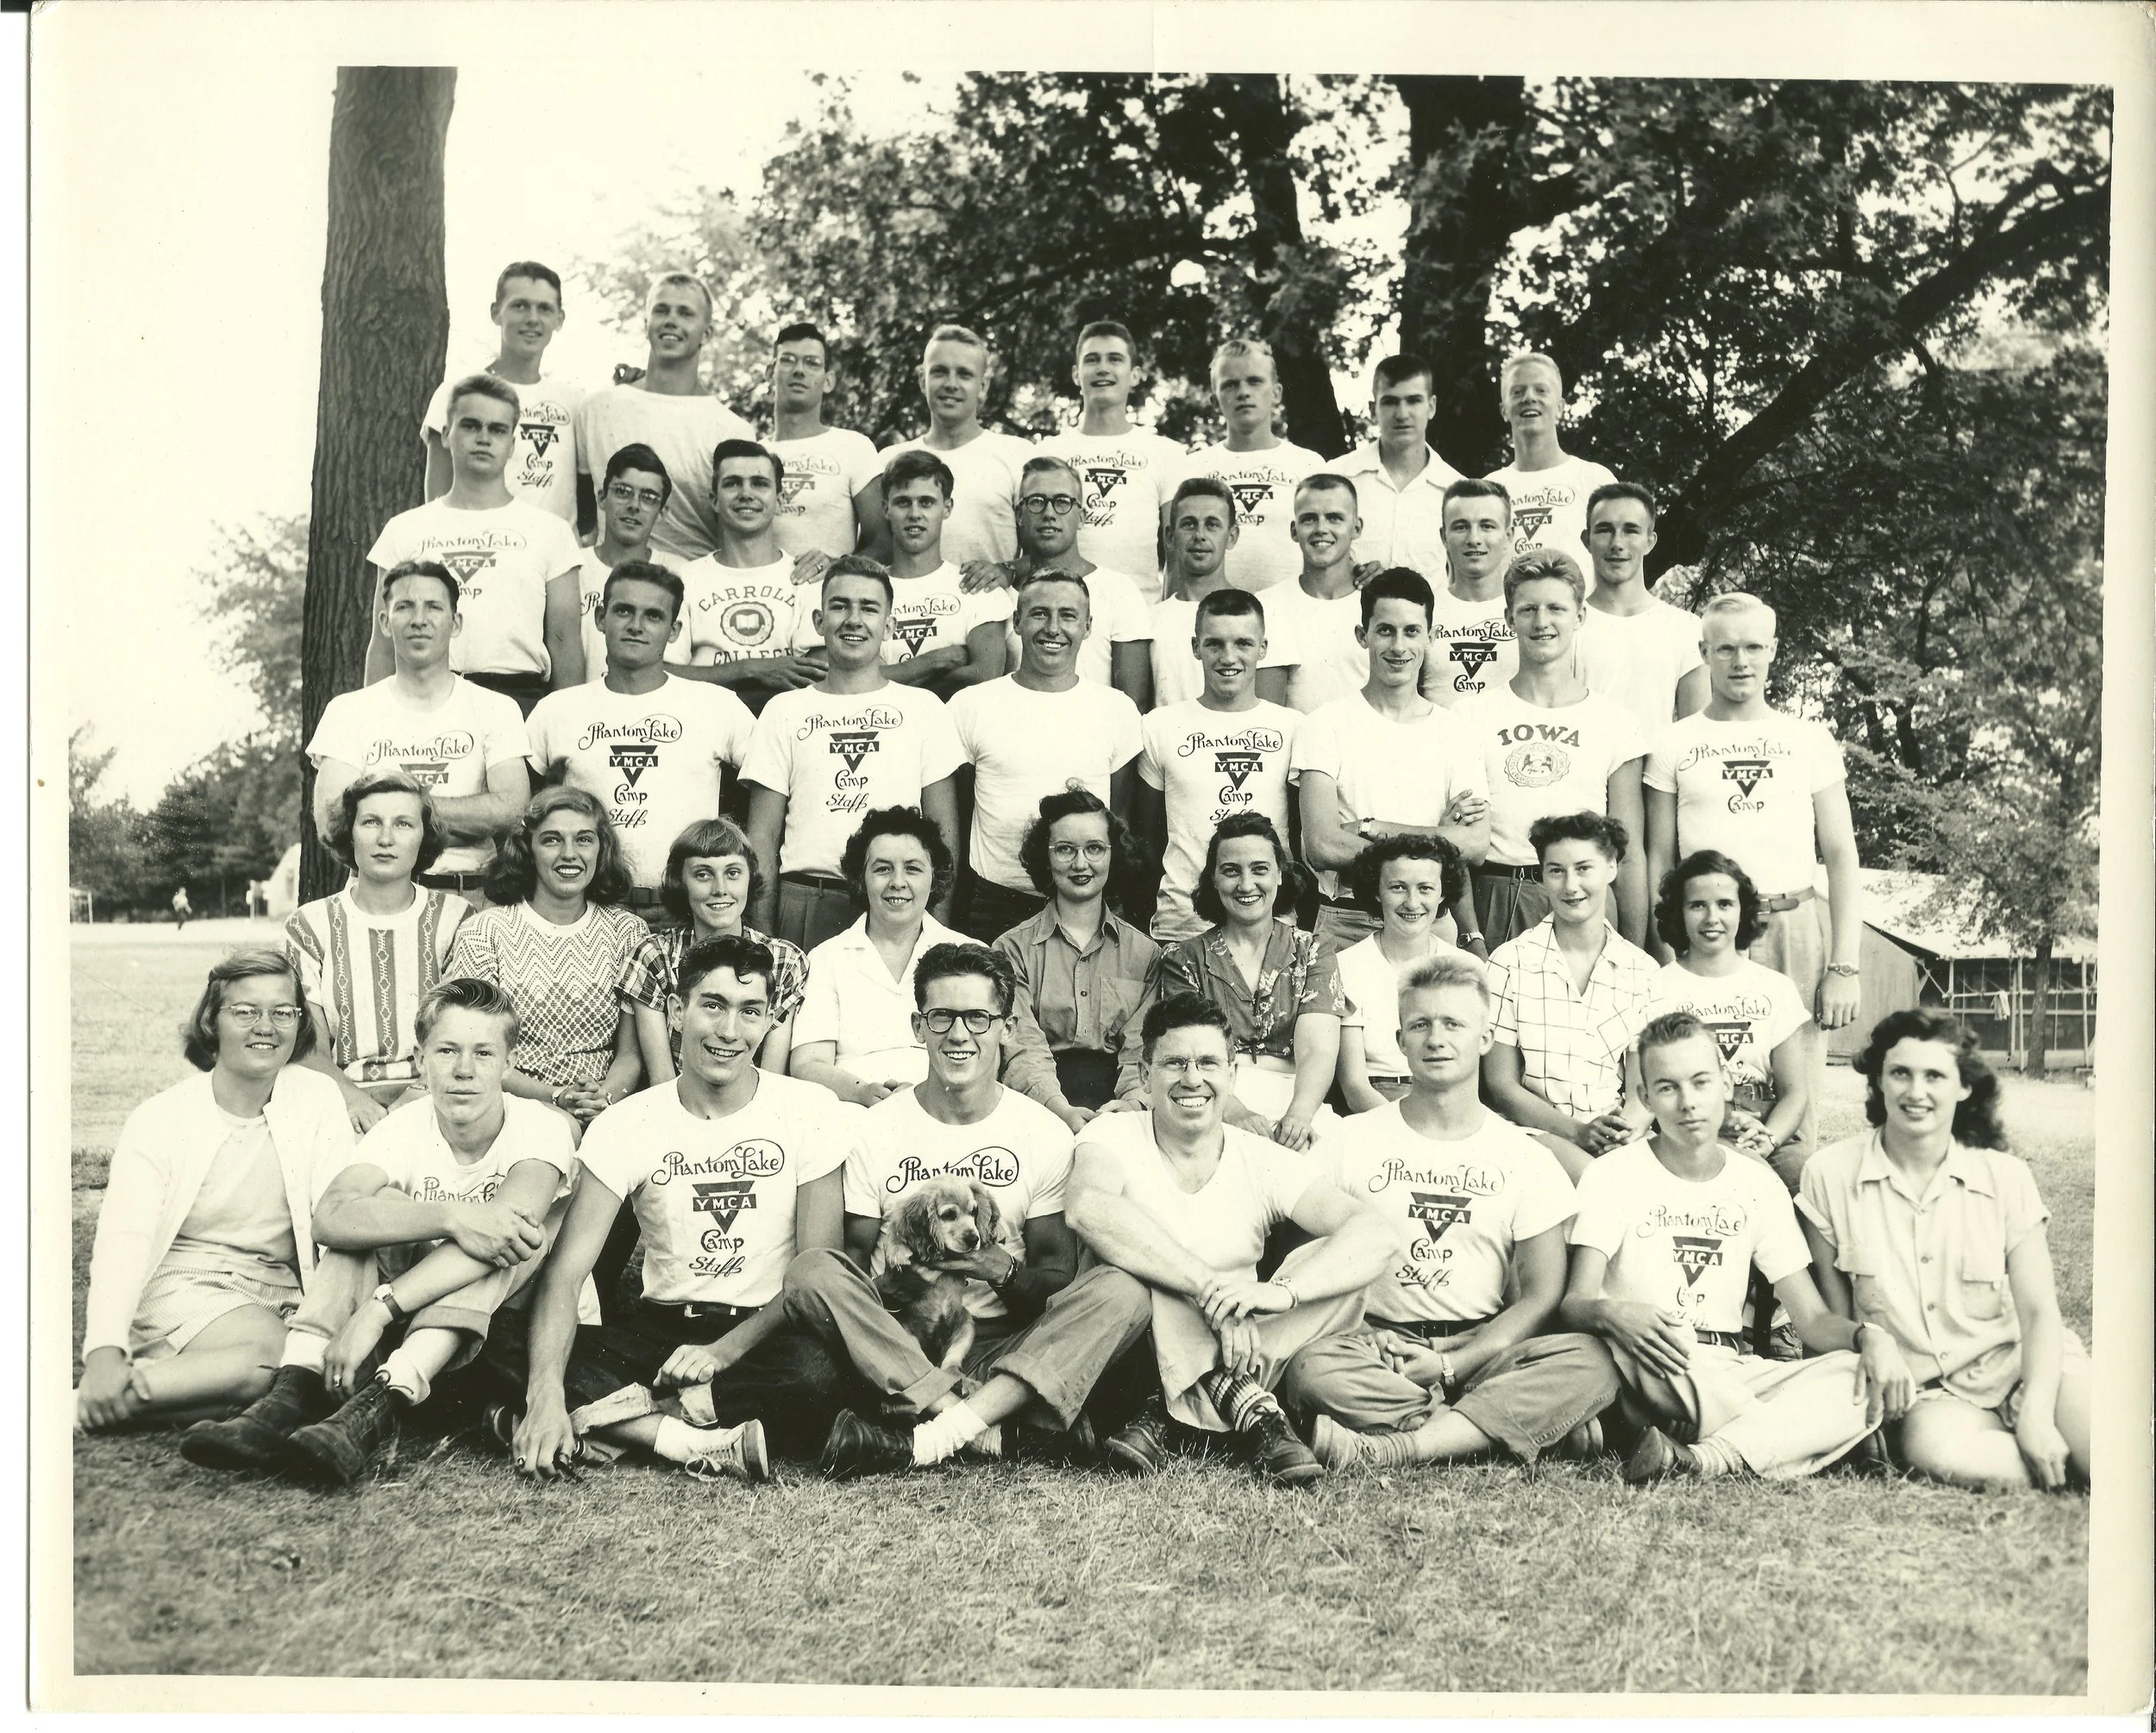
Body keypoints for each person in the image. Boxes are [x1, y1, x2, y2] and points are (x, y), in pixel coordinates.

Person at [177, 977, 582, 1485]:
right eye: (447, 1050)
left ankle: (377, 1409)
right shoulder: (404, 1123)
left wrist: (378, 1308)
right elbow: (331, 1214)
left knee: (506, 1239)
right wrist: (451, 1215)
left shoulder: (541, 1127)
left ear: (509, 1063)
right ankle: (290, 1394)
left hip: (500, 1329)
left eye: (483, 1053)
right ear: (420, 1057)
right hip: (413, 1312)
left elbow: (502, 1233)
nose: (463, 1071)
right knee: (365, 1222)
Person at [786, 943, 1156, 1477]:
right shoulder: (873, 1130)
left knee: (1122, 1291)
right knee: (813, 1269)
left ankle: (930, 1432)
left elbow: (1055, 1276)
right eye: (942, 1017)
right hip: (906, 1345)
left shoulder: (1042, 1133)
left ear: (1006, 1027)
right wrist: (910, 1273)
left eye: (979, 1018)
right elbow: (856, 1269)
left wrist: (995, 1268)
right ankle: (982, 1423)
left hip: (1005, 1351)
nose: (960, 1035)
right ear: (918, 1026)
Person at [501, 935, 857, 1479]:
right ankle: (682, 1437)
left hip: (764, 1332)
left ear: (768, 1021)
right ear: (675, 1010)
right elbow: (566, 1272)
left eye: (750, 1012)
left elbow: (816, 1275)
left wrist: (724, 1353)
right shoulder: (628, 1122)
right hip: (662, 1332)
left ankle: (613, 1421)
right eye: (712, 1005)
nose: (729, 1031)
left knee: (817, 1372)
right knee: (498, 1339)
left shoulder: (808, 1109)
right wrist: (546, 1391)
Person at [1282, 951, 1620, 1469]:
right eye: (1419, 1025)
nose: (1436, 1039)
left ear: (1485, 1038)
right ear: (1399, 1042)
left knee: (1593, 1361)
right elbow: (1309, 1256)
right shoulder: (1347, 1141)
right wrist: (1370, 1337)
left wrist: (1451, 1364)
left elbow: (1542, 1294)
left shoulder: (1527, 1156)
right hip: (1377, 1344)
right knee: (1310, 1366)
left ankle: (1409, 1440)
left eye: (1453, 1024)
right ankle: (1493, 1428)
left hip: (1482, 1346)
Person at [1066, 995, 1395, 1484]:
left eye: (1208, 1063)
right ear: (1145, 1070)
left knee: (1343, 1270)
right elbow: (1087, 1208)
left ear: (1233, 1073)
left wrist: (1276, 1293)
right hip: (1138, 1349)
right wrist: (1209, 1292)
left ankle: (1173, 1406)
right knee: (1128, 1264)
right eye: (1175, 1062)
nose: (1192, 1079)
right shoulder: (1113, 1134)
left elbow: (1376, 1232)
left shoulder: (1260, 1157)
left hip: (1248, 1339)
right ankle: (1249, 1408)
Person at [1562, 1011, 1887, 1484]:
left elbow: (1812, 1323)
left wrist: (1865, 1339)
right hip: (1651, 1357)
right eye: (1667, 1087)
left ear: (1726, 1084)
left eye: (1700, 1082)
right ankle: (1805, 1437)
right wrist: (1613, 1315)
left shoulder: (1758, 1183)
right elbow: (1574, 1302)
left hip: (1728, 1364)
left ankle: (1700, 1457)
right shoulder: (1612, 1175)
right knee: (1836, 1407)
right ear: (1644, 1096)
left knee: (1853, 1376)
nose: (1688, 1103)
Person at [1797, 1011, 2090, 1491]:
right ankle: (2061, 1466)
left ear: (1963, 1087)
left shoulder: (2005, 1176)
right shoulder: (1828, 1175)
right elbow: (1831, 1323)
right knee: (1948, 1457)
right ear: (1878, 1080)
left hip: (2027, 1365)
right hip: (1933, 1398)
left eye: (1934, 1076)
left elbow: (2039, 1313)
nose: (1916, 1092)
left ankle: (2060, 1446)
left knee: (2114, 1452)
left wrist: (2036, 1411)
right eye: (1900, 1073)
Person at [76, 951, 353, 1433]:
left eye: (282, 1012)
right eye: (245, 1011)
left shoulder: (317, 1097)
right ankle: (87, 1402)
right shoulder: (162, 1118)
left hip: (280, 1292)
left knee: (305, 1376)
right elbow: (124, 1239)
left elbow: (337, 1211)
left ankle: (128, 1403)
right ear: (212, 1020)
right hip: (183, 1283)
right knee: (282, 1364)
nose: (265, 1026)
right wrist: (104, 1351)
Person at [1644, 593, 1863, 1168]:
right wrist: (1665, 944)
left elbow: (1841, 854)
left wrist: (1844, 964)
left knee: (1793, 1109)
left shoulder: (1808, 737)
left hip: (1792, 926)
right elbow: (1660, 855)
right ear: (1704, 652)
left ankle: (1786, 1232)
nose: (1740, 661)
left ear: (1772, 650)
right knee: (1700, 1080)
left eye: (1753, 648)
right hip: (1705, 929)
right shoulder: (1675, 742)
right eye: (1726, 648)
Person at [741, 557, 965, 951]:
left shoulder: (925, 708)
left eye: (869, 608)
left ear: (890, 625)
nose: (854, 619)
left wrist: (937, 934)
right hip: (808, 896)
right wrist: (761, 940)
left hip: (898, 901)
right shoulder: (784, 710)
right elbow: (762, 837)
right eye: (840, 605)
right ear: (818, 620)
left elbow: (943, 832)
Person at [524, 561, 756, 909]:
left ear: (674, 630)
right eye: (623, 611)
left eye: (653, 616)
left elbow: (769, 799)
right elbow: (523, 816)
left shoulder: (718, 705)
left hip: (685, 908)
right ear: (601, 618)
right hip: (589, 907)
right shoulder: (556, 710)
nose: (636, 626)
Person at [309, 561, 531, 907]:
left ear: (455, 623)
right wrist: (463, 821)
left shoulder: (496, 708)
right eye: (404, 607)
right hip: (377, 898)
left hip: (471, 897)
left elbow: (512, 811)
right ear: (384, 622)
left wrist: (383, 819)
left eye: (434, 607)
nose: (419, 620)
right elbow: (333, 821)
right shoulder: (348, 711)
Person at [443, 788, 671, 1127]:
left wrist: (604, 1098)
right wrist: (555, 1096)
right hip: (513, 1105)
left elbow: (631, 1053)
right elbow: (478, 1051)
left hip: (607, 1107)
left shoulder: (628, 931)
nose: (569, 854)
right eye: (551, 840)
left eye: (584, 840)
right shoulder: (485, 931)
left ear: (601, 849)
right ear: (527, 850)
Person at [1291, 568, 1489, 957]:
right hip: (1348, 923)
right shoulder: (1323, 725)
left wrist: (1372, 827)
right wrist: (1437, 837)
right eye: (1385, 630)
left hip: (1433, 923)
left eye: (1412, 631)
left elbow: (1475, 844)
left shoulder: (1457, 731)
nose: (1399, 646)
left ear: (1431, 636)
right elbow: (1321, 844)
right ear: (1362, 635)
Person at [1460, 549, 1648, 948]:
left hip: (1585, 896)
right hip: (1497, 891)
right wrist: (1469, 930)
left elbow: (1628, 855)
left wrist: (1634, 951)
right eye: (1528, 609)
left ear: (1579, 615)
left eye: (1556, 608)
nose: (1542, 622)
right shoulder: (1470, 714)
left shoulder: (1616, 722)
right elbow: (1457, 842)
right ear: (1509, 618)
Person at [364, 374, 586, 710]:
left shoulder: (550, 532)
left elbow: (565, 645)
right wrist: (375, 725)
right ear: (447, 435)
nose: (484, 438)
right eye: (470, 426)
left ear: (512, 444)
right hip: (423, 703)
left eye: (497, 429)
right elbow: (382, 645)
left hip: (518, 702)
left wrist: (564, 734)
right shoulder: (404, 530)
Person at [947, 572, 1144, 943]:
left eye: (1068, 616)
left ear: (1088, 627)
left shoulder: (1117, 710)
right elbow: (957, 818)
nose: (1053, 628)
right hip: (994, 905)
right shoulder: (971, 705)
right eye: (1039, 614)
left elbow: (1121, 823)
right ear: (1017, 621)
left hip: (1083, 906)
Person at [285, 769, 473, 1133]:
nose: (386, 838)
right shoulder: (309, 925)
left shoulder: (457, 918)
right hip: (340, 1096)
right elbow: (307, 1043)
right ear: (349, 833)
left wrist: (417, 1097)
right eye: (371, 822)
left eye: (403, 824)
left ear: (424, 836)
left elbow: (464, 1031)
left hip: (436, 1096)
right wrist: (352, 1099)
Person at [1482, 813, 1658, 1179]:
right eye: (1556, 871)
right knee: (1598, 1184)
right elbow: (1501, 1086)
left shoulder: (1641, 970)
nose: (1570, 885)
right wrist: (1577, 1132)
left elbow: (1645, 1089)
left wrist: (1622, 1134)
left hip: (1618, 1136)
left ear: (1611, 868)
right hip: (1533, 1134)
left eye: (1584, 869)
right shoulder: (1510, 963)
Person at [1159, 813, 1344, 1152]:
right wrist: (1236, 1112)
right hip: (1213, 1095)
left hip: (1298, 1095)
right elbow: (1190, 1051)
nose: (1246, 885)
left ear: (1280, 876)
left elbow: (1318, 1049)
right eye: (1231, 871)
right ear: (1213, 879)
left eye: (1260, 869)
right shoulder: (1183, 959)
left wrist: (1299, 1117)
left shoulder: (1313, 951)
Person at [1633, 850, 1816, 1189]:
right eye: (1697, 905)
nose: (1711, 917)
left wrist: (1769, 1139)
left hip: (1760, 1128)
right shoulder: (1654, 987)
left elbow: (1794, 1093)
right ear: (1679, 913)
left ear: (1743, 910)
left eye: (1725, 904)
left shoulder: (1775, 988)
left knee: (1811, 1175)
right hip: (1686, 1128)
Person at [1137, 587, 1302, 942]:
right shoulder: (1160, 725)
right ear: (1195, 647)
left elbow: (1300, 838)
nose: (1229, 657)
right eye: (1214, 644)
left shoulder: (1293, 727)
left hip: (1272, 926)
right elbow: (1148, 839)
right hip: (1181, 927)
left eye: (1243, 643)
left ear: (1263, 648)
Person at [996, 789, 1160, 1131]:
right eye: (1065, 849)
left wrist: (1131, 1107)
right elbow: (1021, 1048)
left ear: (1113, 855)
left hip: (1122, 1105)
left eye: (1095, 848)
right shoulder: (1011, 950)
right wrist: (1059, 1110)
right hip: (1038, 1104)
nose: (1081, 863)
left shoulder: (1146, 954)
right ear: (1046, 856)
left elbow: (1142, 1050)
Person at [788, 807, 967, 1106]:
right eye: (883, 868)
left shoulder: (966, 955)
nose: (898, 882)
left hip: (947, 1109)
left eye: (913, 868)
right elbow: (808, 1064)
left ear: (934, 878)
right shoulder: (827, 958)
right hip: (851, 1110)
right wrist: (861, 1092)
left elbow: (987, 1058)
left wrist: (924, 1095)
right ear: (862, 878)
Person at [574, 273, 755, 561]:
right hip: (610, 589)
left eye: (685, 313)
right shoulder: (596, 408)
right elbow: (583, 515)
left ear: (707, 333)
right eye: (661, 310)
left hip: (691, 588)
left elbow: (738, 536)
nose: (671, 320)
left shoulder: (731, 430)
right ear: (646, 324)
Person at [829, 450, 1011, 696]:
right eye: (903, 502)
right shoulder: (864, 589)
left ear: (947, 508)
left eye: (926, 502)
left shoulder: (976, 587)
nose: (915, 513)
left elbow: (984, 676)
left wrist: (885, 676)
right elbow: (843, 678)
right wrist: (932, 663)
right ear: (885, 509)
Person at [982, 455, 1153, 704]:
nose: (1049, 513)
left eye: (1062, 502)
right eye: (1037, 502)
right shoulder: (1000, 591)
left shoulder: (1118, 590)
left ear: (1081, 516)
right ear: (1020, 514)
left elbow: (1133, 705)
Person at [422, 261, 580, 525]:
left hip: (553, 559)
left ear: (559, 319)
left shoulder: (574, 402)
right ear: (496, 313)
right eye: (519, 306)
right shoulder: (457, 392)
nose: (532, 318)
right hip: (482, 548)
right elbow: (437, 502)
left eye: (544, 308)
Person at [647, 818, 808, 1076]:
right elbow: (661, 1079)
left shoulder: (784, 960)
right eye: (703, 874)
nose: (720, 889)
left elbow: (772, 1078)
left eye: (733, 873)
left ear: (750, 879)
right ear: (681, 883)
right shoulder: (655, 956)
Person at [863, 323, 1033, 568]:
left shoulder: (1017, 455)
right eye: (940, 372)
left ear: (983, 386)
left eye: (964, 374)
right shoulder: (889, 460)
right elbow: (876, 552)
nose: (951, 384)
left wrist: (1005, 570)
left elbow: (1043, 554)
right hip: (907, 605)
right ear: (923, 380)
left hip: (991, 602)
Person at [667, 440, 825, 702]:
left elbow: (815, 674)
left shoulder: (806, 577)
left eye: (760, 483)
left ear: (779, 500)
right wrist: (749, 670)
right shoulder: (686, 578)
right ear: (714, 500)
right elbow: (665, 673)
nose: (746, 493)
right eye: (732, 483)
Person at [1039, 320, 1188, 600]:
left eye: (1115, 359)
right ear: (1076, 374)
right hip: (1062, 614)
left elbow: (1177, 554)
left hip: (1141, 619)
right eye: (1092, 360)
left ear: (1135, 375)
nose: (1103, 368)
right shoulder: (1047, 453)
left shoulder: (1166, 453)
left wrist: (1168, 618)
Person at [1164, 340, 1325, 594]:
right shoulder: (1192, 468)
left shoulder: (1308, 464)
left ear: (1276, 392)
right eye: (1230, 384)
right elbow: (1174, 564)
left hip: (1290, 615)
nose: (1243, 392)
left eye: (1255, 381)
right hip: (1214, 620)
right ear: (1215, 401)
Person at [1332, 835, 1470, 1113]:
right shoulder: (1344, 966)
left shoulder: (1465, 967)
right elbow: (1354, 1085)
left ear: (1442, 893)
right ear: (1376, 891)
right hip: (1375, 1105)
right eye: (1398, 887)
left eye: (1425, 888)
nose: (1412, 902)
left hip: (1450, 1104)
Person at [1573, 482, 1708, 742]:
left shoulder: (1685, 628)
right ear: (1586, 540)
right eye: (1604, 530)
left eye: (1630, 531)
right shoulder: (1566, 625)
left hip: (1656, 779)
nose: (1617, 543)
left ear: (1650, 541)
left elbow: (1696, 736)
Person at [1149, 478, 1294, 710]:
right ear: (1170, 536)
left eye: (1212, 524)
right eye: (1188, 524)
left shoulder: (1264, 613)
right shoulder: (1151, 620)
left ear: (1232, 536)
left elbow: (1269, 714)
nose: (1200, 535)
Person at [1482, 352, 1618, 570]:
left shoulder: (1595, 479)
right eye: (1517, 392)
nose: (1529, 398)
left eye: (1541, 390)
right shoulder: (1488, 489)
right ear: (1504, 410)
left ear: (1560, 407)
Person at [763, 323, 883, 568]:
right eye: (787, 360)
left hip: (832, 598)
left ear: (828, 381)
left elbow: (883, 540)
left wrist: (836, 568)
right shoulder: (754, 456)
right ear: (770, 373)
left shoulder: (853, 447)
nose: (799, 371)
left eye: (812, 363)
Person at [1339, 354, 1463, 583]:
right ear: (1373, 409)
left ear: (1431, 406)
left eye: (1414, 400)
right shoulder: (1338, 477)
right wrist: (1349, 570)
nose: (1402, 414)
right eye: (1390, 401)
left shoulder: (1456, 491)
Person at [1265, 474, 1372, 714]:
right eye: (1309, 519)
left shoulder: (1381, 605)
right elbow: (1266, 715)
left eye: (1334, 518)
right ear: (1294, 530)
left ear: (1356, 528)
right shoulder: (1269, 605)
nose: (1321, 529)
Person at [576, 444, 672, 681]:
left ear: (661, 513)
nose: (634, 505)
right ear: (601, 498)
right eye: (622, 491)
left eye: (649, 498)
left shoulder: (679, 573)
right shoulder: (572, 569)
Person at [1425, 479, 1518, 711]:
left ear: (1508, 536)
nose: (1474, 539)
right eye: (1461, 526)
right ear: (1444, 537)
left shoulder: (1530, 611)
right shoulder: (1423, 612)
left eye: (1487, 526)